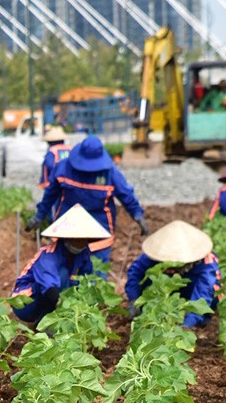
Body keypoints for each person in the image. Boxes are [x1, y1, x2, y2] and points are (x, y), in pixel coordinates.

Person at [29, 135, 146, 266]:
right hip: (68, 229)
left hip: (99, 230)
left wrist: (137, 213)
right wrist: (40, 215)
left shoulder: (109, 173)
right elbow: (50, 194)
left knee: (95, 277)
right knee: (63, 276)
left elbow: (125, 194)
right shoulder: (63, 168)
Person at [11, 204, 110, 324]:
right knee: (62, 276)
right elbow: (50, 290)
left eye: (84, 239)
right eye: (78, 239)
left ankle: (56, 320)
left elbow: (86, 278)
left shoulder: (83, 253)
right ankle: (44, 321)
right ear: (67, 237)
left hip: (50, 295)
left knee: (76, 282)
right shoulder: (49, 256)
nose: (82, 243)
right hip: (26, 302)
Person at [125, 220, 222, 328]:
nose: (170, 269)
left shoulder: (206, 265)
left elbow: (203, 294)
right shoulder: (155, 254)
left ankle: (201, 319)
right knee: (149, 276)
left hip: (192, 288)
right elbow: (135, 272)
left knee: (210, 296)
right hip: (168, 291)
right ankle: (151, 312)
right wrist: (134, 299)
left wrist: (187, 326)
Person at [39, 125, 71, 189]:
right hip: (71, 181)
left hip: (56, 181)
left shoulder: (52, 151)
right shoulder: (70, 149)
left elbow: (49, 165)